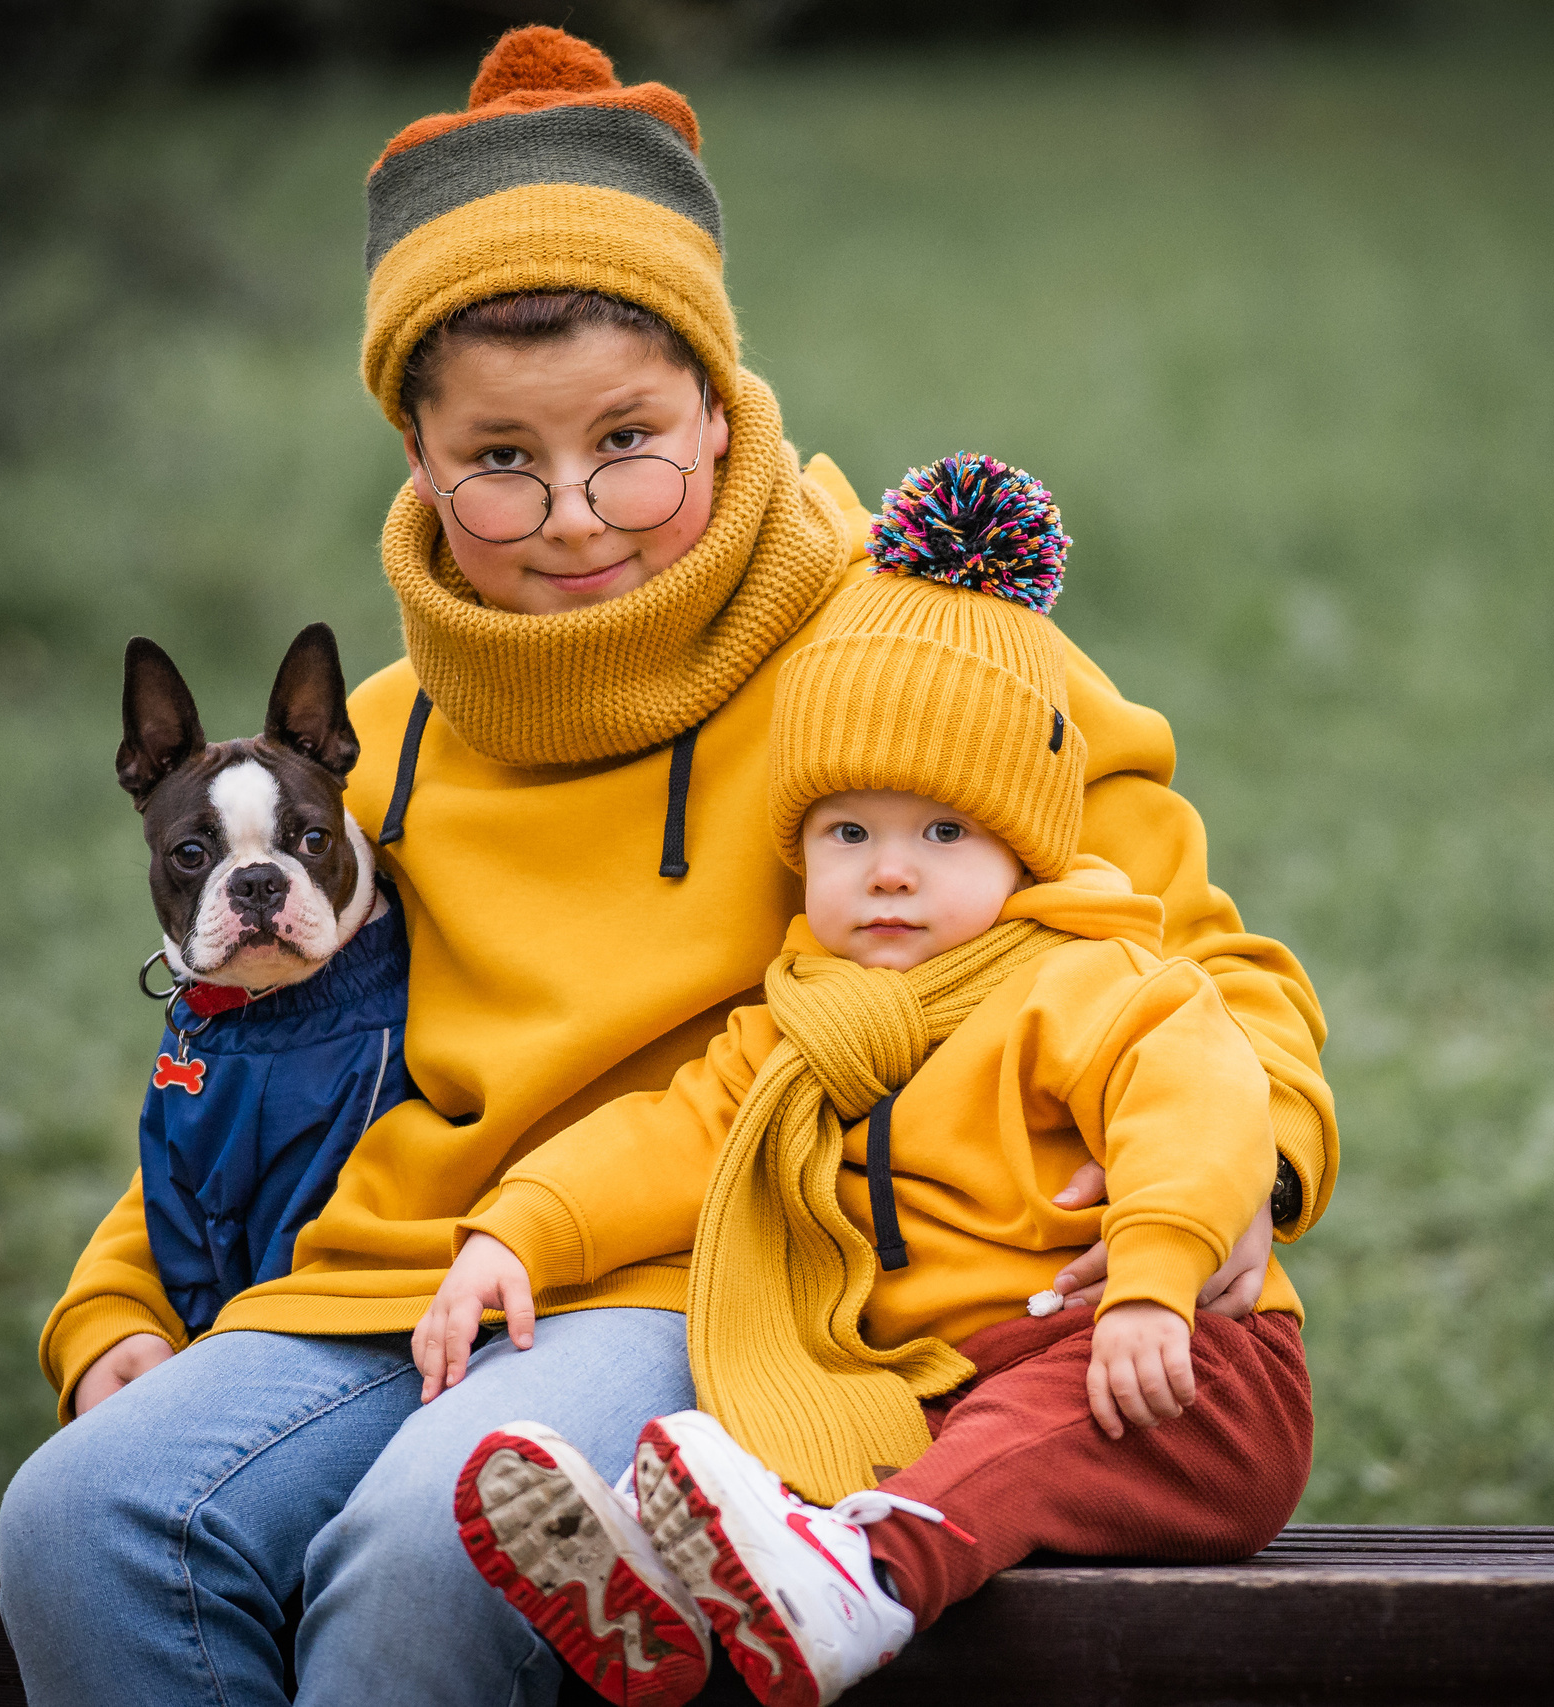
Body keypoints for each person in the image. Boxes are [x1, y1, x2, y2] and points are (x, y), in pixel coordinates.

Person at [0, 27, 1335, 1707]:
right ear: (414, 455)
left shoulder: (923, 661)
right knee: (85, 1517)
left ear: (723, 397)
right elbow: (254, 1037)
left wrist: (1246, 1172)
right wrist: (118, 1299)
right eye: (500, 460)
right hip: (401, 1270)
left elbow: (1198, 963)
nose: (574, 513)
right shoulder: (374, 750)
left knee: (428, 1547)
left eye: (631, 439)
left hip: (719, 1271)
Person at [440, 456, 1319, 1707]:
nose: (890, 873)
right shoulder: (806, 1021)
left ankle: (861, 1575)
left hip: (1170, 1371)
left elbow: (1200, 1102)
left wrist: (1155, 1272)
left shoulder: (1081, 977)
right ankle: (664, 1593)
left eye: (941, 833)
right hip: (946, 1386)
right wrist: (520, 1230)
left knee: (1039, 1429)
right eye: (848, 834)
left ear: (1021, 843)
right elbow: (676, 1134)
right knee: (825, 1423)